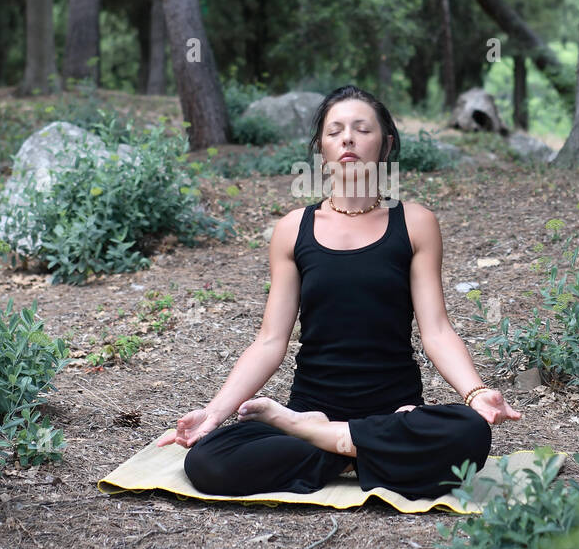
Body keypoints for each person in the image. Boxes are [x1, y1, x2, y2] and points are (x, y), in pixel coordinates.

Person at [158, 85, 522, 499]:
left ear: (385, 145)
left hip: (393, 412)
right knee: (208, 461)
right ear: (321, 149)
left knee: (470, 433)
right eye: (335, 131)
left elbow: (436, 331)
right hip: (311, 407)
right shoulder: (293, 229)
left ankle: (330, 441)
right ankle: (355, 448)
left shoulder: (416, 223)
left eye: (361, 129)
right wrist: (214, 412)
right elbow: (270, 340)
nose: (347, 138)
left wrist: (475, 394)